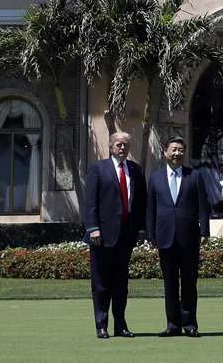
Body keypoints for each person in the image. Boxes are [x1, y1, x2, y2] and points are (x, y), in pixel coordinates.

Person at [82, 131, 145, 339]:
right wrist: (93, 228)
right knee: (101, 283)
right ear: (111, 147)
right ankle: (101, 325)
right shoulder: (98, 169)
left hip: (126, 237)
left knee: (121, 284)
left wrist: (141, 230)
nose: (122, 148)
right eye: (118, 144)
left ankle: (120, 325)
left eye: (126, 145)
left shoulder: (136, 170)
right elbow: (90, 202)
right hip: (101, 236)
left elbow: (140, 203)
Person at [146, 136, 209, 337]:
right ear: (165, 152)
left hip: (189, 238)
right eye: (173, 149)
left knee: (189, 283)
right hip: (164, 237)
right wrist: (149, 234)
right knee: (170, 283)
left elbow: (203, 207)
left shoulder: (195, 176)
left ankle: (190, 325)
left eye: (181, 150)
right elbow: (151, 209)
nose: (177, 153)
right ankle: (173, 325)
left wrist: (204, 231)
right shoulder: (155, 178)